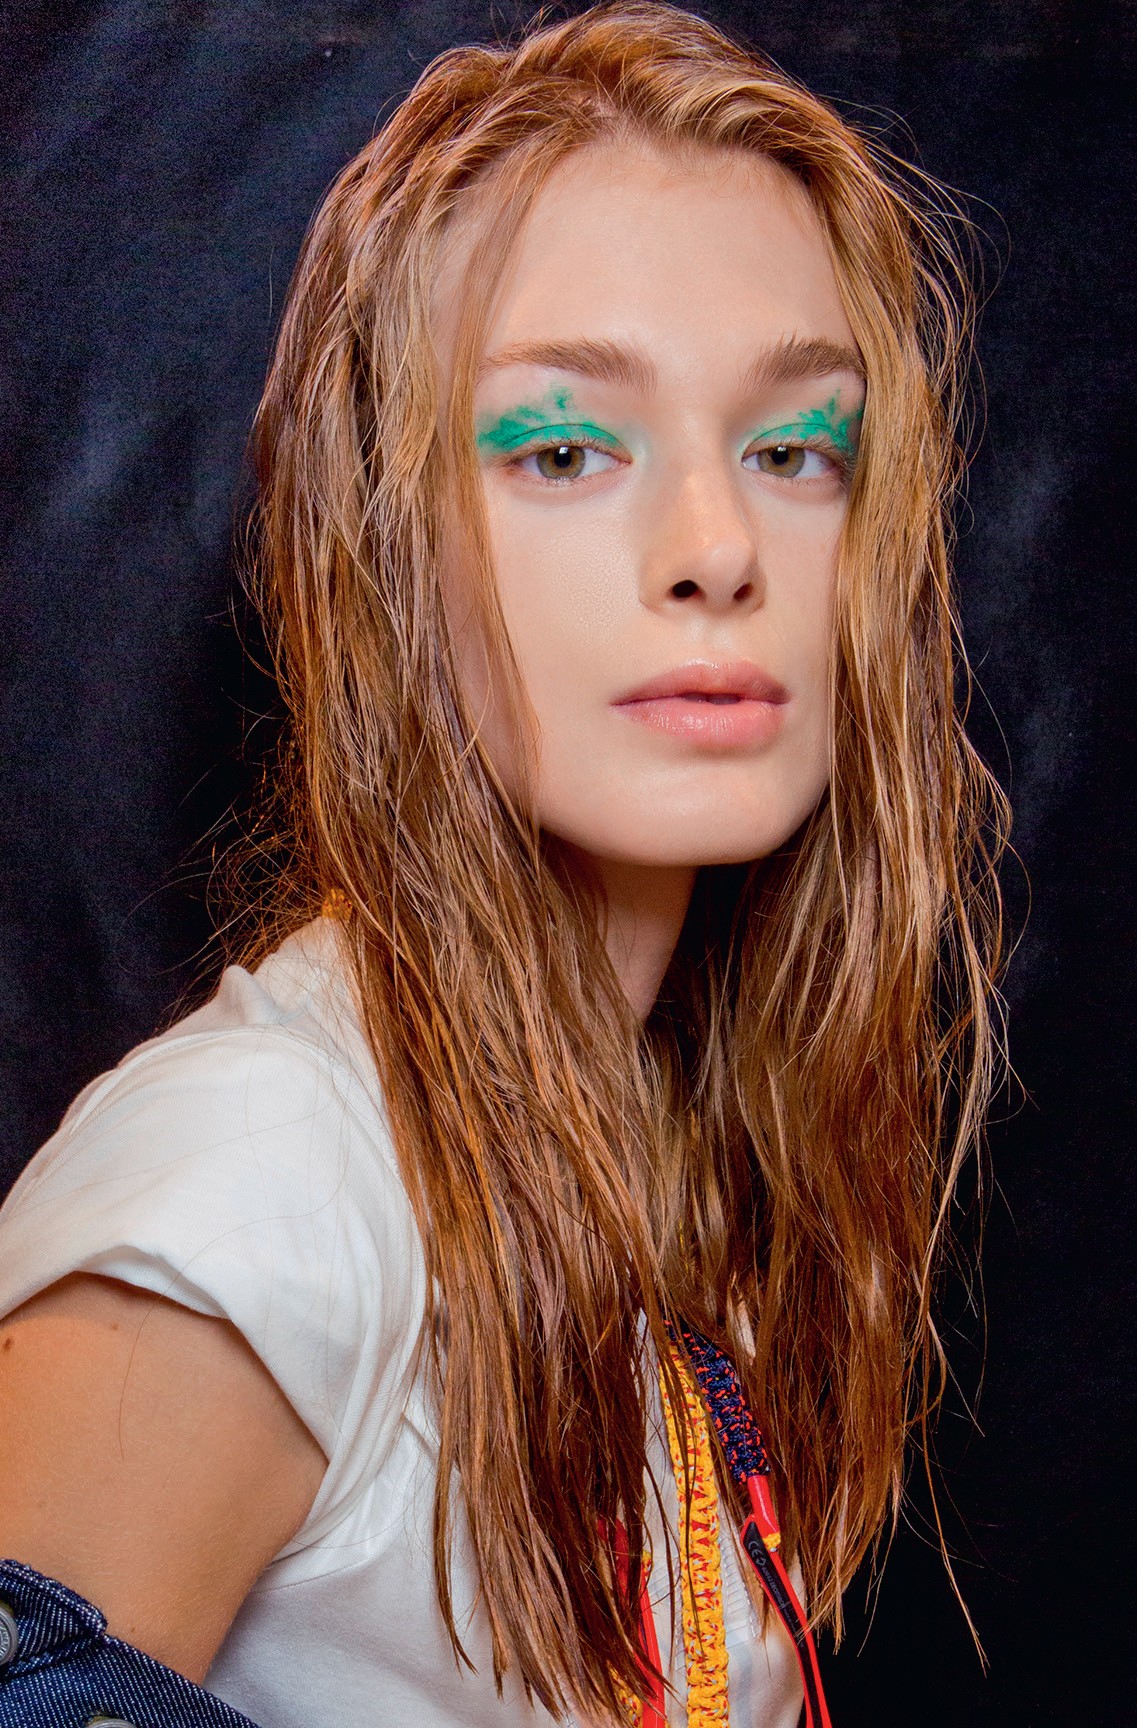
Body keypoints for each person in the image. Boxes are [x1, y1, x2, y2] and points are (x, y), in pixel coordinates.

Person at [0, 4, 1008, 1725]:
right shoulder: (253, 1193)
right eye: (559, 448)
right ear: (382, 545)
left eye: (791, 449)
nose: (716, 548)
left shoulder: (680, 1137)